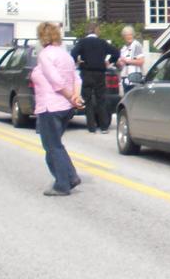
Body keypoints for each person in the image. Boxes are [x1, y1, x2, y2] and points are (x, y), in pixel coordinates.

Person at [32, 21, 85, 196]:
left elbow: (56, 81)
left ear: (42, 36)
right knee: (55, 144)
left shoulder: (45, 55)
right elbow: (77, 79)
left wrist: (71, 96)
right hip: (65, 107)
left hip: (50, 106)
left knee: (52, 146)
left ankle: (62, 183)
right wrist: (76, 96)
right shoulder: (65, 55)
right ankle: (70, 176)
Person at [71, 22, 119, 133]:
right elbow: (116, 53)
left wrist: (78, 61)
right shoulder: (102, 42)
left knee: (87, 100)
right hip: (100, 73)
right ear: (96, 31)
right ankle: (104, 127)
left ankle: (91, 127)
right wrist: (109, 61)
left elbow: (73, 53)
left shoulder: (82, 42)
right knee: (101, 99)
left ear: (87, 31)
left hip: (86, 73)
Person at [117, 24, 147, 93]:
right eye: (126, 35)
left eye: (130, 35)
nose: (129, 37)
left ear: (133, 35)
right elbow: (121, 64)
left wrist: (127, 61)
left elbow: (141, 61)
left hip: (134, 78)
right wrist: (119, 62)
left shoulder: (136, 45)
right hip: (125, 77)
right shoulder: (124, 48)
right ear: (123, 37)